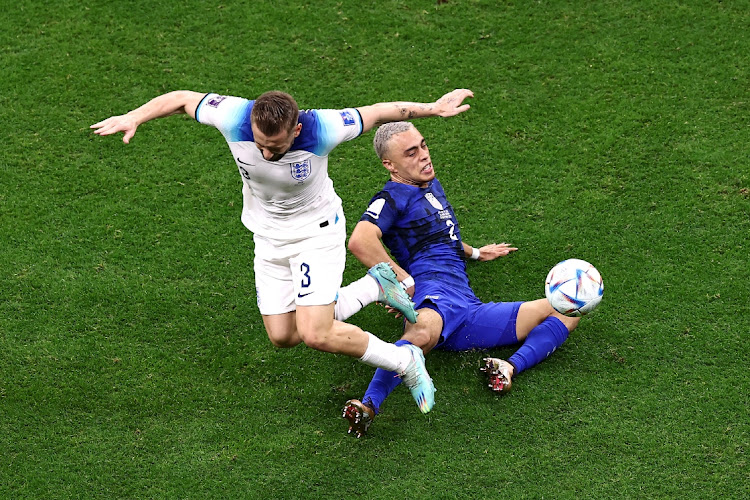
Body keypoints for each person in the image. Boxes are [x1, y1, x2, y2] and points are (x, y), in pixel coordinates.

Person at [91, 88, 474, 413]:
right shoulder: (235, 116)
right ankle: (375, 286)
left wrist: (433, 109)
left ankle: (404, 360)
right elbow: (180, 99)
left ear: (297, 129)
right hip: (268, 238)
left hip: (316, 235)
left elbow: (378, 113)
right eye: (260, 145)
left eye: (276, 147)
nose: (267, 154)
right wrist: (134, 116)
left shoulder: (323, 127)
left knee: (316, 334)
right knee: (283, 335)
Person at [337, 121, 582, 437]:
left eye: (423, 145)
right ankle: (369, 406)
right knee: (421, 336)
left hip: (467, 307)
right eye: (411, 153)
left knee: (568, 310)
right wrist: (400, 282)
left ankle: (507, 367)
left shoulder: (427, 182)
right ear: (390, 164)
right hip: (432, 290)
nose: (424, 156)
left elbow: (443, 234)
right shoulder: (392, 197)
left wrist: (476, 252)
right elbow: (360, 241)